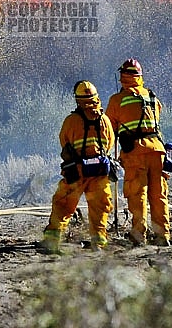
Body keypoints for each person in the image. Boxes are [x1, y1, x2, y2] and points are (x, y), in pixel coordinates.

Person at [40, 80, 115, 253]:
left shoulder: (71, 121)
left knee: (63, 205)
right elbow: (109, 143)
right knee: (100, 209)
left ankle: (52, 240)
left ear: (78, 99)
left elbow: (64, 143)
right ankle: (99, 243)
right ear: (96, 98)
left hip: (77, 171)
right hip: (99, 172)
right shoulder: (105, 120)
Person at [105, 58, 171, 246]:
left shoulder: (117, 100)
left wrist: (107, 154)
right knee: (159, 195)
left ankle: (138, 236)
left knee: (138, 194)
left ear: (123, 76)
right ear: (139, 76)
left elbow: (109, 129)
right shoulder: (151, 96)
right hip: (158, 151)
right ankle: (162, 235)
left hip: (135, 153)